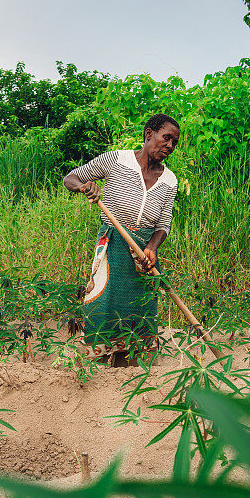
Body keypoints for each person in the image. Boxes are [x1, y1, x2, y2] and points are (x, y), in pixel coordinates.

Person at [63, 113, 180, 364]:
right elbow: (70, 178)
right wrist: (86, 186)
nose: (170, 146)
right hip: (114, 244)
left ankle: (134, 361)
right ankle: (99, 359)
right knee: (105, 302)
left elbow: (164, 223)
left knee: (141, 306)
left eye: (174, 143)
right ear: (149, 134)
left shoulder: (170, 180)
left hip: (144, 255)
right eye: (166, 138)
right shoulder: (117, 160)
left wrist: (152, 247)